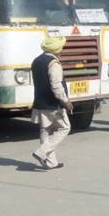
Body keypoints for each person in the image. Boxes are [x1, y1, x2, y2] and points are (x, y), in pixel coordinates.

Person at [30, 35, 74, 170]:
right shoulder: (53, 63)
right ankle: (42, 152)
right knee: (65, 128)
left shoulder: (36, 61)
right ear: (58, 49)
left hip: (40, 102)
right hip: (52, 104)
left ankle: (51, 162)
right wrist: (65, 101)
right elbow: (56, 85)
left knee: (45, 130)